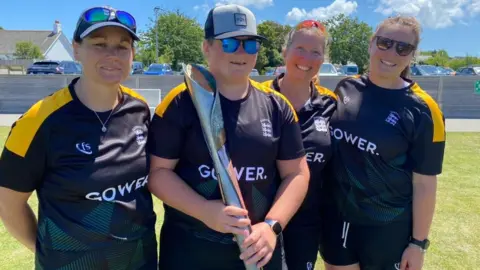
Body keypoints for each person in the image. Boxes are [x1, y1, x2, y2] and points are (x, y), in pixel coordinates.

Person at [147, 4, 310, 270]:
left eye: (251, 44)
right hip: (190, 252)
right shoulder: (179, 102)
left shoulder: (277, 106)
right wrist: (204, 211)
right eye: (231, 43)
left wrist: (271, 226)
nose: (242, 53)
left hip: (259, 253)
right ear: (207, 47)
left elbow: (298, 174)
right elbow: (157, 173)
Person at [0, 6, 157, 269]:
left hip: (140, 261)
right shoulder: (37, 121)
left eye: (122, 46)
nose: (112, 55)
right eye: (99, 44)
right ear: (76, 49)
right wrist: (49, 255)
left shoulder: (139, 108)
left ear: (132, 54)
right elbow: (8, 204)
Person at [319, 15, 446, 270]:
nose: (391, 52)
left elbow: (424, 184)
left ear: (412, 55)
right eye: (385, 42)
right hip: (337, 219)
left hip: (388, 229)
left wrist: (418, 244)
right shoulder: (346, 88)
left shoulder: (423, 110)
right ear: (371, 44)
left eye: (403, 47)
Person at [261, 19, 337, 270]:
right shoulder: (256, 97)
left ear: (323, 59)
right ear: (285, 51)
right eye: (300, 49)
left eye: (316, 52)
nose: (307, 58)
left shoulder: (331, 105)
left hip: (305, 224)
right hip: (256, 221)